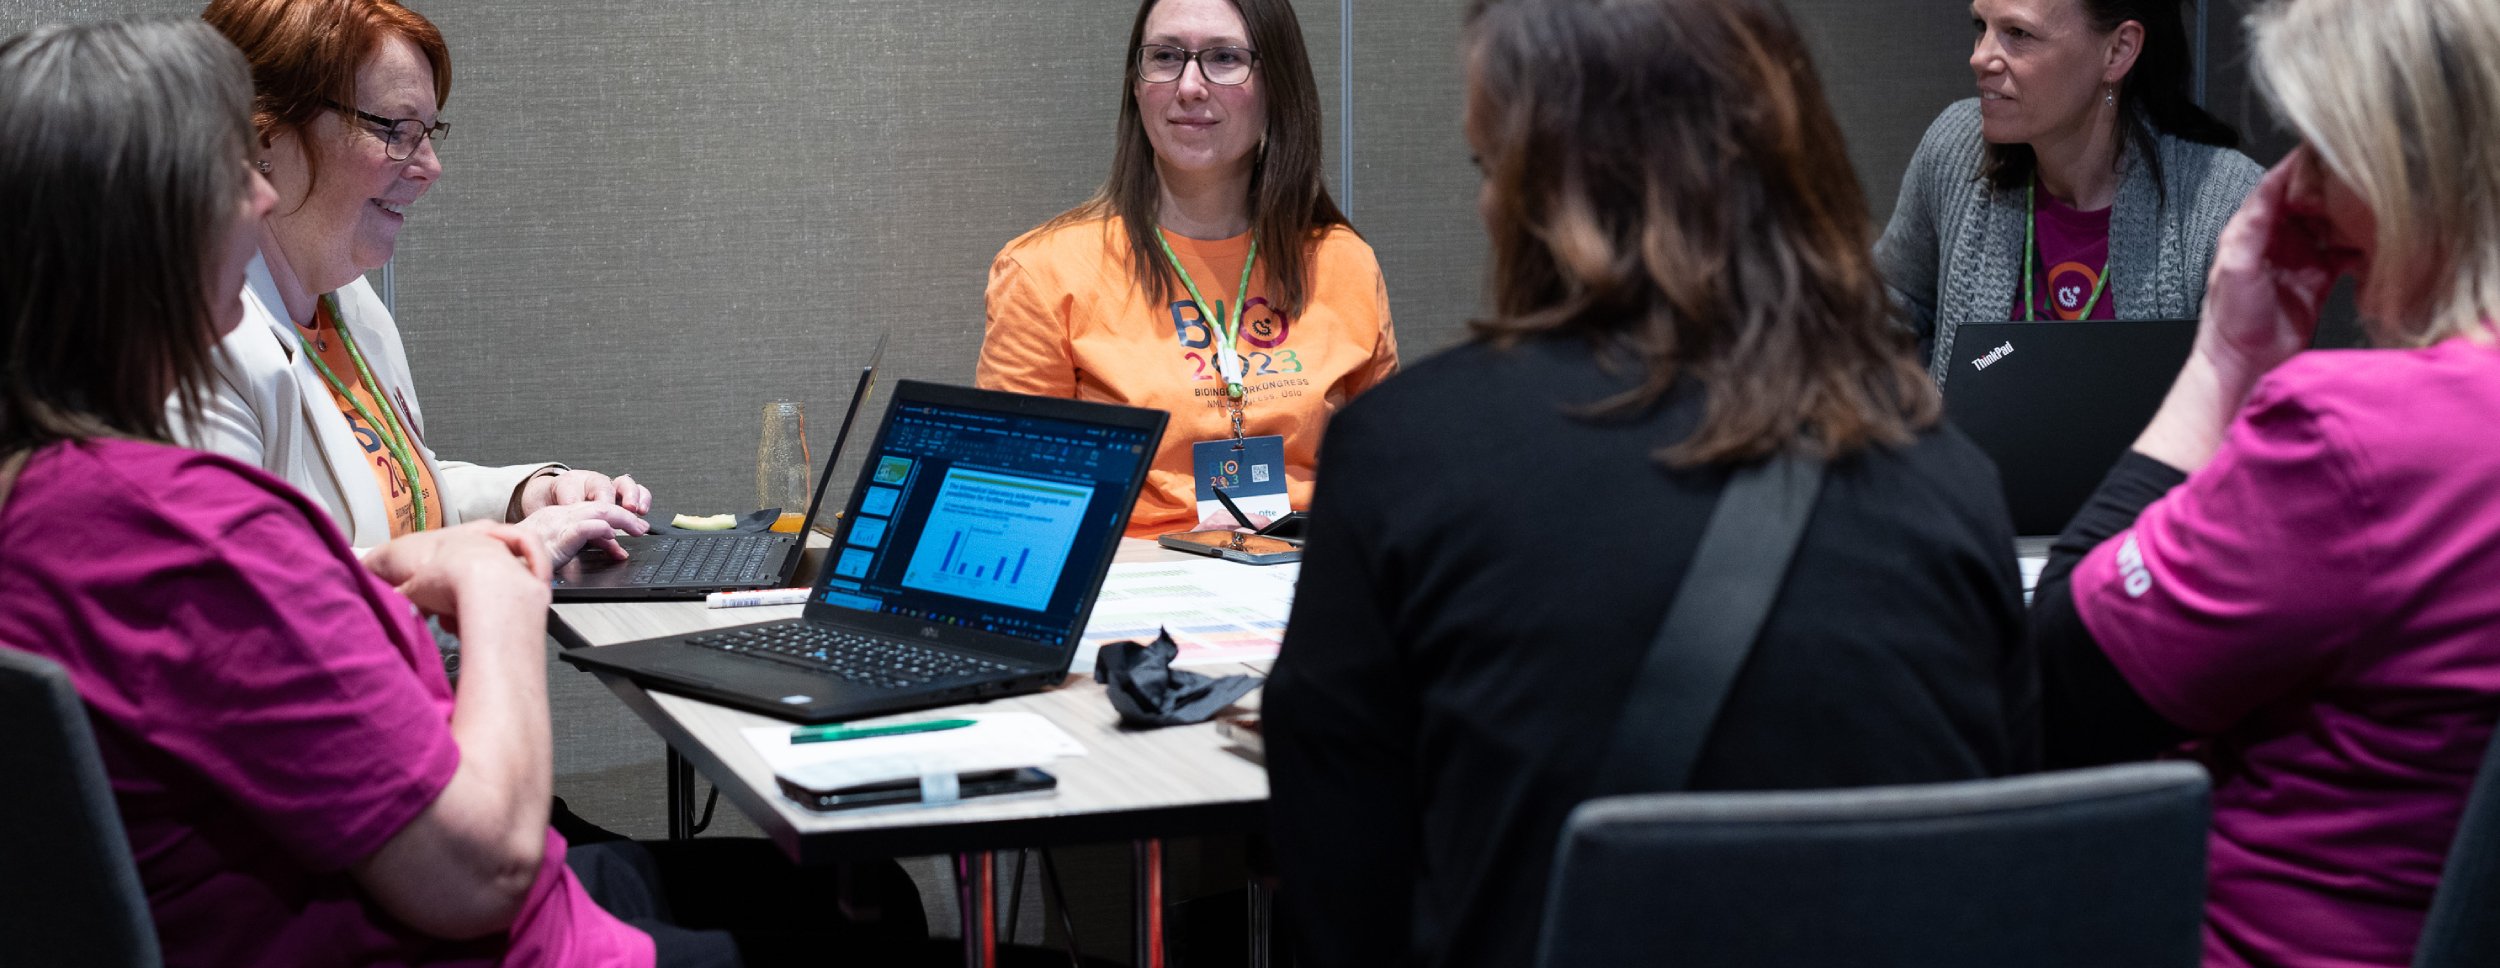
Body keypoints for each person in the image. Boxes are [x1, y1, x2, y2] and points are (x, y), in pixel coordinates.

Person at [0, 18, 935, 968]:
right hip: (456, 928)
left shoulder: (48, 498)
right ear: (142, 228)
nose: (253, 192)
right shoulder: (192, 522)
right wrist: (499, 592)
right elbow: (483, 872)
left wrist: (468, 526)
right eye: (222, 166)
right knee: (864, 911)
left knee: (856, 895)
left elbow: (299, 577)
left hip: (349, 894)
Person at [1262, 0, 2036, 965]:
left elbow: (1340, 874)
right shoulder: (1946, 477)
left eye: (1490, 165)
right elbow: (1994, 852)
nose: (1483, 203)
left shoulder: (1405, 453)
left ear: (1545, 189)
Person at [2030, 0, 2500, 963]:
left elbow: (2063, 684)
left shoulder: (2354, 442)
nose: (2307, 191)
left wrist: (2222, 362)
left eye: (2322, 145)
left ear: (2403, 164)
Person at [180, 0, 653, 559]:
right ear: (262, 128)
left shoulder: (347, 301)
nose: (429, 166)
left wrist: (530, 497)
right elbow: (248, 604)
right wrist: (508, 557)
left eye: (429, 132)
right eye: (397, 130)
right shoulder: (188, 345)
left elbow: (388, 490)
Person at [976, 0, 1397, 536]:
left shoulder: (1342, 261)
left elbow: (1386, 476)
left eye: (1224, 58)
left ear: (1278, 85)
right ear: (1135, 83)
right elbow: (1016, 505)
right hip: (1133, 587)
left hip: (1308, 578)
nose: (1190, 86)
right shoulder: (1044, 272)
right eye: (1167, 56)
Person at [1876, 0, 2260, 381]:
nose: (1980, 57)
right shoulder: (1955, 150)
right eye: (1982, 27)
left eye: (2018, 33)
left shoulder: (2232, 208)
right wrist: (1918, 419)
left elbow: (2259, 413)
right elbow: (1885, 310)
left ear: (2118, 50)